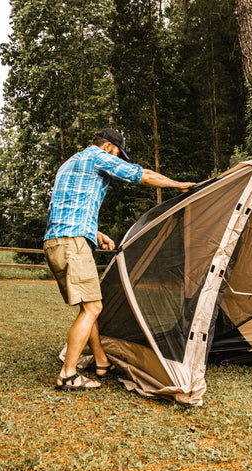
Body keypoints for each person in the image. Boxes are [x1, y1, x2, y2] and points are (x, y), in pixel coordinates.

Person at [44, 128, 196, 391]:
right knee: (93, 309)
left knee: (87, 307)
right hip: (73, 242)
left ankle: (101, 361)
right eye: (117, 154)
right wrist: (178, 185)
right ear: (108, 148)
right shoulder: (97, 157)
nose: (118, 159)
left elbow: (65, 208)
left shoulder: (69, 164)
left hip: (56, 241)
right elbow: (141, 175)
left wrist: (96, 233)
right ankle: (67, 375)